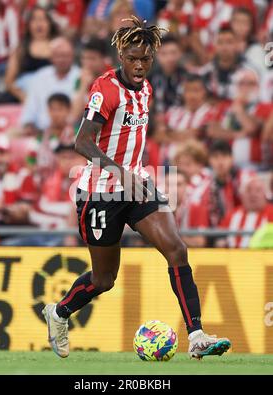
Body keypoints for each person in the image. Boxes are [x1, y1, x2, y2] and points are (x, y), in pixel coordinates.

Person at [42, 15, 231, 360]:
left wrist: (132, 176)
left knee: (176, 248)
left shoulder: (146, 89)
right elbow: (81, 143)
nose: (140, 65)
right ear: (121, 57)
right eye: (132, 59)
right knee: (104, 280)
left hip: (136, 185)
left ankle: (197, 335)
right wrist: (119, 172)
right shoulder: (105, 89)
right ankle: (58, 313)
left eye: (145, 59)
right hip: (99, 193)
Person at [20, 36, 80, 133]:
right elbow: (29, 109)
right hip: (39, 132)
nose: (62, 59)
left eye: (65, 55)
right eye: (58, 56)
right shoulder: (40, 76)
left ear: (72, 56)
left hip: (70, 133)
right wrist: (28, 125)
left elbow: (79, 114)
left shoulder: (80, 77)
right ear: (51, 57)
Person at [5, 5, 58, 103]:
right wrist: (22, 96)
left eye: (43, 19)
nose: (39, 24)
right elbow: (9, 81)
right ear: (28, 25)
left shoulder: (59, 47)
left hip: (52, 97)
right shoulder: (20, 49)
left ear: (50, 24)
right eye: (34, 20)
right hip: (24, 96)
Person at [218, 176, 273, 248]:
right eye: (248, 190)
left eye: (258, 190)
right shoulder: (232, 215)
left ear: (265, 194)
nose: (253, 194)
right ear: (242, 195)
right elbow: (219, 235)